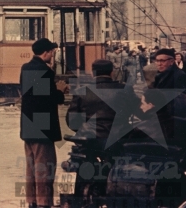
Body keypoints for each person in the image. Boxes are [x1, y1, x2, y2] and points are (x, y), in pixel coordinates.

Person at [20, 38, 68, 208]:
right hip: (42, 128)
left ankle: (32, 202)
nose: (53, 56)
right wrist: (60, 92)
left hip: (28, 126)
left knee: (31, 168)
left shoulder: (26, 68)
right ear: (46, 52)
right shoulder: (44, 70)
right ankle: (43, 203)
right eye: (52, 53)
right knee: (45, 168)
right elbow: (46, 99)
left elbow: (33, 96)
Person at [66, 59, 134, 143]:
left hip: (89, 137)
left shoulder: (81, 91)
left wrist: (84, 129)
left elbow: (72, 120)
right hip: (119, 136)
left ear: (92, 73)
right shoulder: (125, 89)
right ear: (112, 73)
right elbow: (134, 110)